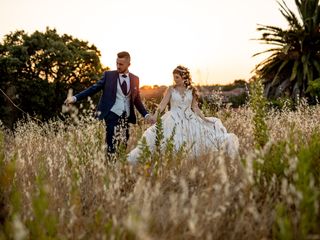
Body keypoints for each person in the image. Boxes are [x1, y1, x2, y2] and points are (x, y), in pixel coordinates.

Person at [127, 65, 239, 163]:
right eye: (174, 77)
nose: (175, 80)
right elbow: (162, 105)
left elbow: (195, 108)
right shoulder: (171, 89)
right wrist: (155, 117)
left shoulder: (192, 90)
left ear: (184, 77)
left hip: (189, 118)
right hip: (172, 119)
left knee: (196, 141)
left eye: (177, 77)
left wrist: (204, 119)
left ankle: (189, 165)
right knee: (171, 140)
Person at [64, 51, 153, 157]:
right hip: (111, 114)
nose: (118, 66)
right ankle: (109, 166)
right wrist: (75, 98)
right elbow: (93, 89)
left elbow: (137, 100)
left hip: (127, 116)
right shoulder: (108, 75)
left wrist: (146, 114)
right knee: (111, 144)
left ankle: (118, 168)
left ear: (128, 64)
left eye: (121, 64)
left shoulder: (135, 79)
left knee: (123, 144)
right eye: (117, 63)